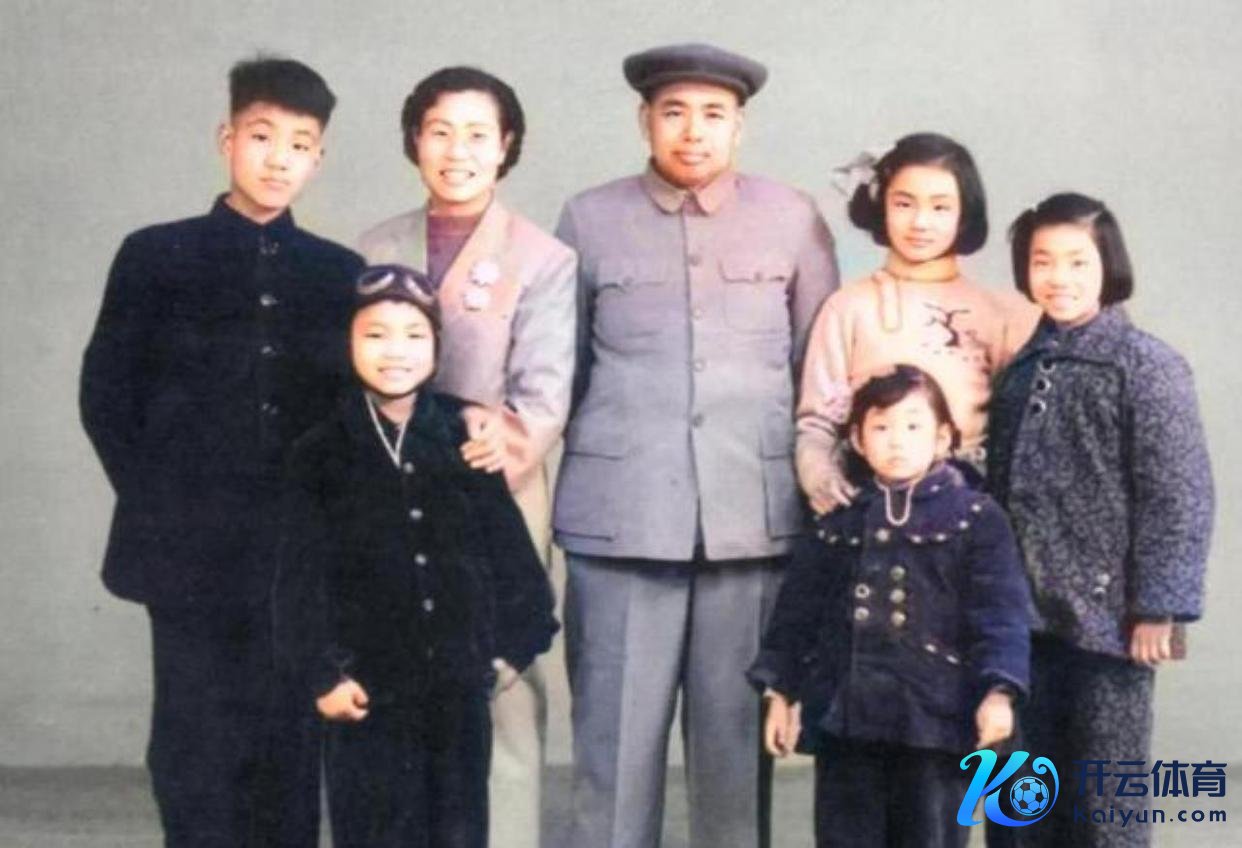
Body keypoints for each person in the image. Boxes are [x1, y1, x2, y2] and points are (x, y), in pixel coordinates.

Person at [553, 42, 839, 848]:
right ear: (644, 120)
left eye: (714, 114)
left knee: (734, 759)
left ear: (739, 127)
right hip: (621, 521)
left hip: (751, 522)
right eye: (674, 112)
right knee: (612, 753)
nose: (693, 131)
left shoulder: (792, 217)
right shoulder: (589, 217)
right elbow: (563, 368)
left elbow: (820, 371)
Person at [79, 57, 363, 846]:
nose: (278, 159)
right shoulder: (155, 255)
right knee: (193, 742)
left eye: (299, 144)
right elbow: (106, 395)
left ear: (319, 158)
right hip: (186, 547)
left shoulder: (338, 273)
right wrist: (165, 503)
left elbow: (348, 415)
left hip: (296, 555)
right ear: (226, 139)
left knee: (290, 741)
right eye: (261, 136)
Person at [358, 68, 576, 848]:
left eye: (478, 134)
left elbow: (544, 394)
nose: (458, 151)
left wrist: (493, 441)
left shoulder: (543, 257)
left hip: (492, 490)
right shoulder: (374, 246)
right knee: (392, 667)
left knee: (502, 678)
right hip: (386, 495)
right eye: (440, 131)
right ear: (414, 139)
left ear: (506, 144)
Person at [272, 264, 557, 848]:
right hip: (364, 692)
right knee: (371, 828)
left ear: (436, 346)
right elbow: (297, 585)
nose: (394, 352)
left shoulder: (465, 438)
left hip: (458, 691)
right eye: (375, 335)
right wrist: (324, 676)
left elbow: (518, 568)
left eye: (413, 335)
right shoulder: (319, 451)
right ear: (347, 342)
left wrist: (507, 655)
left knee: (458, 828)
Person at [987, 193, 1214, 846]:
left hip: (1109, 623)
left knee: (1106, 800)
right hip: (1021, 622)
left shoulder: (1146, 366)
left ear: (1107, 266)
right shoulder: (1021, 370)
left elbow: (1179, 493)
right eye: (1043, 261)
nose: (1059, 277)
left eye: (1077, 262)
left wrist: (1159, 607)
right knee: (1016, 796)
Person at [751, 365, 1030, 848]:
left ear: (943, 438)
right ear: (858, 441)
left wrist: (998, 694)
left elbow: (1001, 616)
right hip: (847, 719)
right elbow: (797, 615)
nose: (897, 440)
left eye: (914, 426)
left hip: (936, 720)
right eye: (881, 427)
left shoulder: (977, 519)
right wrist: (781, 693)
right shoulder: (837, 521)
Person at [796, 132, 1039, 514]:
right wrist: (820, 476)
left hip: (968, 507)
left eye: (940, 207)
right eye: (904, 203)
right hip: (867, 507)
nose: (921, 222)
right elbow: (817, 423)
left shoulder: (999, 312)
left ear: (964, 214)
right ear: (881, 204)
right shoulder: (848, 307)